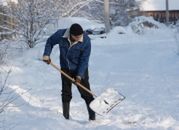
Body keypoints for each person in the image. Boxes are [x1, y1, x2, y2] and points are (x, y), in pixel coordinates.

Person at [42, 23, 95, 120]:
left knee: (86, 92)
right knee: (66, 92)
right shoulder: (61, 35)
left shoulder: (86, 40)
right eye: (77, 37)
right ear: (71, 34)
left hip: (80, 68)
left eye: (80, 36)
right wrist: (46, 54)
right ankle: (65, 118)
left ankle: (92, 118)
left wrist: (79, 76)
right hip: (65, 67)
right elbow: (50, 41)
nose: (79, 38)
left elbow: (84, 60)